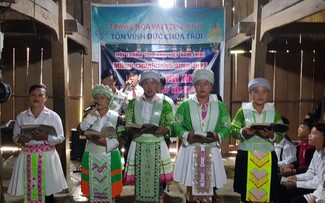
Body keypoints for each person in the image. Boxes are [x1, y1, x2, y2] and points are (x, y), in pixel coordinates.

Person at [173, 68, 231, 203]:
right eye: (198, 84)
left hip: (211, 150)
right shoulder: (186, 105)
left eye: (206, 84)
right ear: (194, 86)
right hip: (191, 150)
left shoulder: (220, 105)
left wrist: (218, 136)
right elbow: (176, 124)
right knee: (191, 188)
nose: (202, 87)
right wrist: (187, 134)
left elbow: (227, 125)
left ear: (211, 86)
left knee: (208, 189)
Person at [7, 83, 68, 203]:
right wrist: (21, 140)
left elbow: (61, 137)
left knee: (47, 190)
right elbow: (15, 137)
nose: (36, 97)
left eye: (40, 95)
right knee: (29, 189)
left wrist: (46, 137)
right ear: (29, 97)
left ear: (45, 98)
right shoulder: (22, 117)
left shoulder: (53, 116)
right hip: (27, 156)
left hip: (47, 157)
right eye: (33, 95)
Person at [123, 70, 174, 203]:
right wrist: (132, 129)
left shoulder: (165, 103)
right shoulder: (134, 103)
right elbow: (128, 122)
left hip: (158, 144)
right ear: (142, 85)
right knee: (140, 180)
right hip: (138, 143)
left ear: (158, 85)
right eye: (146, 83)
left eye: (153, 83)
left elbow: (172, 124)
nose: (149, 87)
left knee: (156, 179)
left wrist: (165, 129)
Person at [231, 78, 283, 203]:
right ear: (250, 93)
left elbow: (281, 132)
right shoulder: (243, 111)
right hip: (246, 155)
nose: (260, 95)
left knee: (267, 191)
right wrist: (243, 132)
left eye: (264, 92)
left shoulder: (274, 111)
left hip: (268, 156)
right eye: (256, 92)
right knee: (246, 191)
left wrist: (271, 135)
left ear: (268, 93)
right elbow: (233, 130)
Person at [79, 84, 122, 203]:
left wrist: (106, 143)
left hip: (110, 155)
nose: (98, 101)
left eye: (102, 98)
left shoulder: (116, 117)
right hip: (91, 155)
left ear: (109, 100)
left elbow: (121, 137)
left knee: (110, 190)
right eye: (96, 98)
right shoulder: (90, 115)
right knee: (93, 190)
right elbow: (82, 128)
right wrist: (91, 115)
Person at [281, 123, 325, 203]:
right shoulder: (316, 151)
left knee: (294, 198)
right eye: (310, 132)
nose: (310, 135)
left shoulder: (323, 154)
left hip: (318, 189)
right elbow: (310, 173)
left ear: (323, 138)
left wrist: (297, 183)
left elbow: (319, 182)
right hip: (314, 186)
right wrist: (296, 177)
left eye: (313, 133)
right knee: (283, 184)